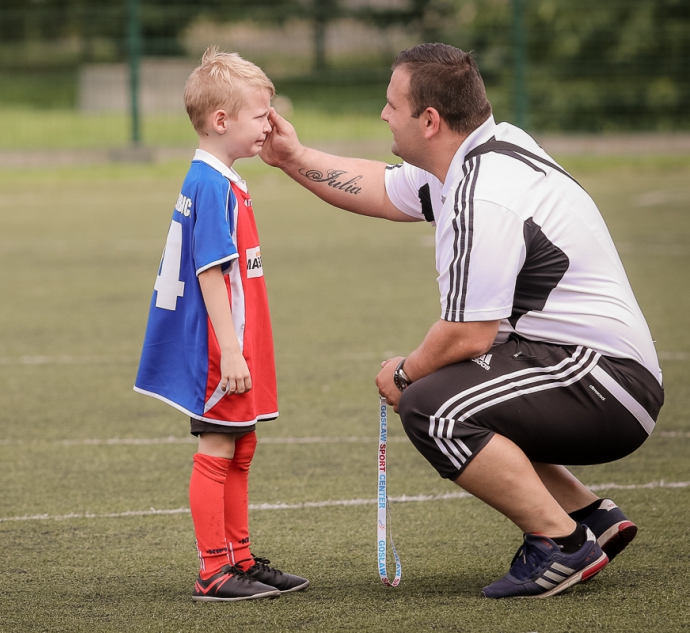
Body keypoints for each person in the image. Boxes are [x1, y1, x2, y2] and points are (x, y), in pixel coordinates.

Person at [261, 43, 664, 599]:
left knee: (433, 404)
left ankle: (559, 543)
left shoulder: (482, 192)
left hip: (605, 383)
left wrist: (404, 375)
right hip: (591, 368)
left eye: (391, 104)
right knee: (450, 388)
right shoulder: (480, 154)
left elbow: (467, 333)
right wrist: (291, 155)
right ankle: (586, 516)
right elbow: (379, 187)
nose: (383, 114)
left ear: (429, 120)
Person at [134, 47, 309, 602]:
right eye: (261, 116)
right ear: (220, 121)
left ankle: (239, 557)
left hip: (233, 337)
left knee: (241, 443)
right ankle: (213, 569)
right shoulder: (212, 184)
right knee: (217, 445)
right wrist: (231, 351)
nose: (270, 125)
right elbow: (211, 272)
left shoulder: (220, 176)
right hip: (220, 344)